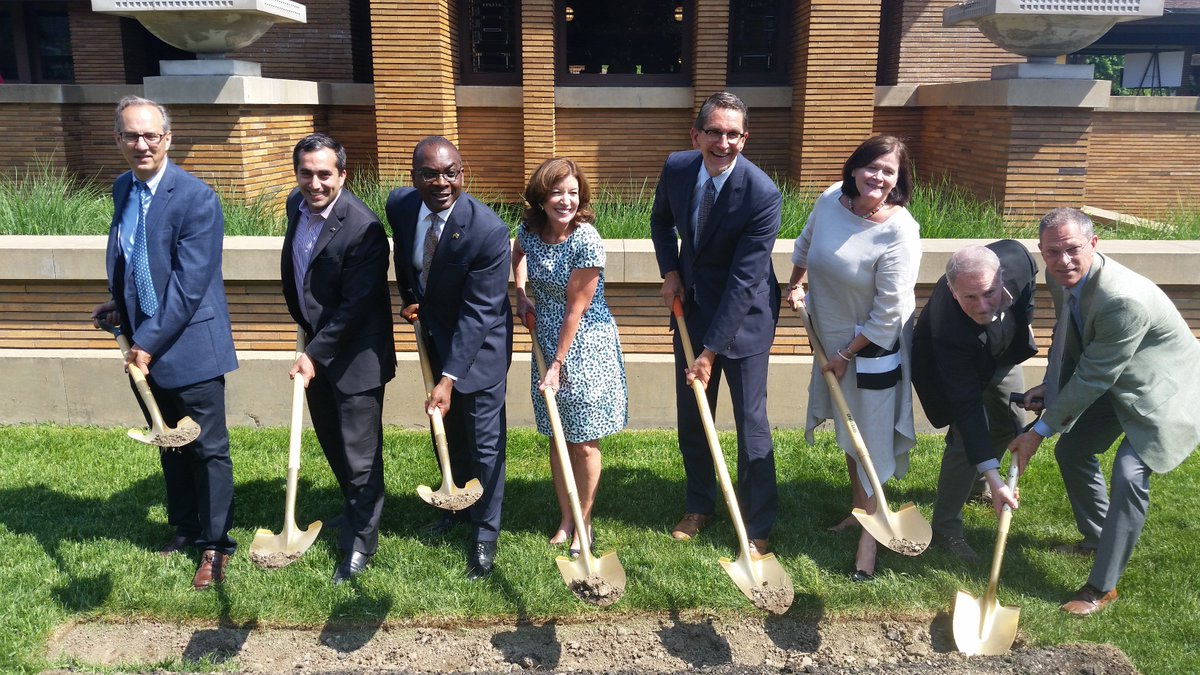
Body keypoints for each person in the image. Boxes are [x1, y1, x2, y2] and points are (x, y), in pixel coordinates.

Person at [1009, 207, 1200, 616]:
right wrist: (1052, 386)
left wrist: (1037, 432)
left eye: (1073, 249)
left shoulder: (1122, 300)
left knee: (1130, 474)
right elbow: (1068, 336)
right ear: (1041, 251)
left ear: (1094, 243)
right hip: (1116, 378)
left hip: (1162, 390)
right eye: (1052, 251)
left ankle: (1101, 587)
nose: (1063, 260)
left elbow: (1093, 377)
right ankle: (1097, 538)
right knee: (1073, 449)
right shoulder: (1060, 278)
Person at [91, 95, 238, 590]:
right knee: (168, 441)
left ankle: (216, 545)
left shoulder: (197, 198)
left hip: (190, 345)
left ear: (168, 138)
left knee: (207, 449)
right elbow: (134, 256)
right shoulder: (123, 188)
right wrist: (121, 306)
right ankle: (186, 527)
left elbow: (188, 285)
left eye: (151, 135)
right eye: (131, 135)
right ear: (118, 139)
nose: (142, 144)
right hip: (143, 344)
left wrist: (147, 342)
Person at [649, 91, 782, 555]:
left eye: (733, 134)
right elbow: (661, 222)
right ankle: (699, 504)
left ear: (744, 139)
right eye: (714, 132)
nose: (723, 143)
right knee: (693, 417)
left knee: (751, 423)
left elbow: (746, 281)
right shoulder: (677, 168)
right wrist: (670, 271)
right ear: (696, 135)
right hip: (693, 309)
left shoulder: (762, 194)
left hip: (745, 319)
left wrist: (708, 352)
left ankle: (757, 522)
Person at [786, 134, 921, 582]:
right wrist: (796, 283)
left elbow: (889, 312)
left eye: (888, 171)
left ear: (899, 180)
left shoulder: (900, 231)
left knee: (872, 439)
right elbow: (806, 244)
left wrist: (847, 353)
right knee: (849, 426)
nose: (878, 177)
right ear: (855, 168)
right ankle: (857, 510)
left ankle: (870, 543)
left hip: (873, 347)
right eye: (871, 167)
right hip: (830, 338)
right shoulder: (831, 200)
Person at [385, 136, 513, 581]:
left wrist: (449, 378)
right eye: (430, 174)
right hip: (435, 339)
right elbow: (405, 255)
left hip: (479, 351)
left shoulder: (487, 231)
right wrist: (409, 296)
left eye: (451, 172)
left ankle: (485, 534)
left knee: (484, 444)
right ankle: (454, 504)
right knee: (450, 433)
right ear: (413, 177)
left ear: (463, 173)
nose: (442, 182)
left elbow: (480, 313)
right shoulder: (401, 206)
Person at [280, 133, 395, 584]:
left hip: (355, 357)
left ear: (343, 175)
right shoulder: (296, 205)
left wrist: (313, 354)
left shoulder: (364, 229)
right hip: (316, 349)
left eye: (325, 174)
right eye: (306, 173)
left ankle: (361, 543)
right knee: (333, 443)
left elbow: (356, 306)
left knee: (359, 455)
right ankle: (355, 506)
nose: (315, 183)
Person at [512, 157, 628, 558]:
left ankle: (584, 522)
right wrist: (521, 294)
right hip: (545, 339)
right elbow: (518, 254)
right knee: (557, 434)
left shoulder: (586, 240)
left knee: (583, 443)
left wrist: (557, 366)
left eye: (573, 193)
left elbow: (576, 309)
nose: (566, 201)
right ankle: (565, 518)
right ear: (541, 198)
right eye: (557, 193)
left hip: (585, 346)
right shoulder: (530, 230)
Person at [911, 241, 1037, 563]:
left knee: (1012, 421)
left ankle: (979, 484)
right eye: (970, 297)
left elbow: (1027, 295)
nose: (982, 305)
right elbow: (967, 408)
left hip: (1000, 351)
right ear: (953, 292)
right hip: (946, 362)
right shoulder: (948, 328)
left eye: (989, 293)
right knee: (965, 438)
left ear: (1001, 277)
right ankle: (945, 529)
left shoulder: (1018, 260)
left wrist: (1022, 324)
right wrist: (999, 480)